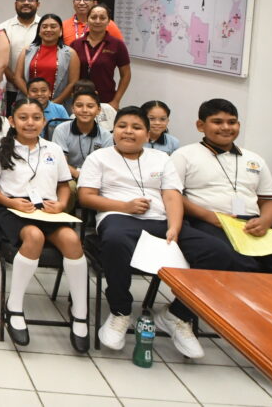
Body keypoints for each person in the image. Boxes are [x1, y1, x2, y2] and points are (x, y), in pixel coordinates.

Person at [78, 107, 239, 359]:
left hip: (162, 221)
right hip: (118, 218)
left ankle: (178, 315)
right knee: (115, 241)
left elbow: (172, 195)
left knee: (218, 253)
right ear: (114, 130)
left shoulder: (161, 159)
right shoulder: (99, 158)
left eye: (136, 127)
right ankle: (120, 311)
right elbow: (85, 197)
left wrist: (175, 226)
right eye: (122, 126)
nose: (128, 131)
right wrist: (125, 206)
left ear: (147, 132)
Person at [0, 97, 88, 350]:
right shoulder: (1, 147)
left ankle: (80, 312)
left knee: (73, 240)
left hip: (47, 209)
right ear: (12, 121)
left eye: (36, 118)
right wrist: (10, 202)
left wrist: (62, 204)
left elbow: (64, 185)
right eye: (23, 118)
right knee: (35, 237)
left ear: (45, 120)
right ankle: (14, 306)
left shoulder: (53, 150)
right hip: (13, 208)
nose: (30, 123)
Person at [173, 98, 272, 276]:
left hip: (251, 225)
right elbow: (172, 196)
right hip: (206, 222)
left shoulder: (254, 159)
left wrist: (265, 221)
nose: (226, 127)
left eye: (232, 122)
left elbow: (270, 202)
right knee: (240, 263)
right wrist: (211, 217)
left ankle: (266, 303)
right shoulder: (184, 155)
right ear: (200, 125)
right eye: (217, 122)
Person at [71, 4, 131, 109]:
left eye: (102, 18)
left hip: (106, 101)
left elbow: (126, 75)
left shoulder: (117, 45)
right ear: (87, 20)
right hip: (79, 101)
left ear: (108, 21)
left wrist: (116, 101)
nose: (97, 21)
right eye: (93, 17)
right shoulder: (76, 44)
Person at [12, 14, 79, 106]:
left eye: (53, 26)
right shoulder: (27, 50)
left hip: (60, 105)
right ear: (39, 31)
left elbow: (73, 83)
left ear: (60, 32)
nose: (48, 29)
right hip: (28, 103)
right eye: (44, 27)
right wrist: (31, 97)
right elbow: (18, 78)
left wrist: (53, 105)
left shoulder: (70, 53)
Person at [52, 89, 112, 179]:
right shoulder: (61, 130)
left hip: (96, 177)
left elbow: (106, 165)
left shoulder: (105, 135)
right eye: (79, 106)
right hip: (68, 176)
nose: (84, 110)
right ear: (73, 109)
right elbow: (60, 162)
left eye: (90, 106)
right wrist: (78, 175)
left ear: (98, 110)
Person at [0, 0, 42, 112]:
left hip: (38, 91)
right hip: (10, 88)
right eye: (22, 0)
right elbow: (0, 59)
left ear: (38, 4)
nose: (26, 2)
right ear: (15, 4)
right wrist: (16, 81)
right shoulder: (3, 27)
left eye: (30, 0)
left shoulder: (45, 26)